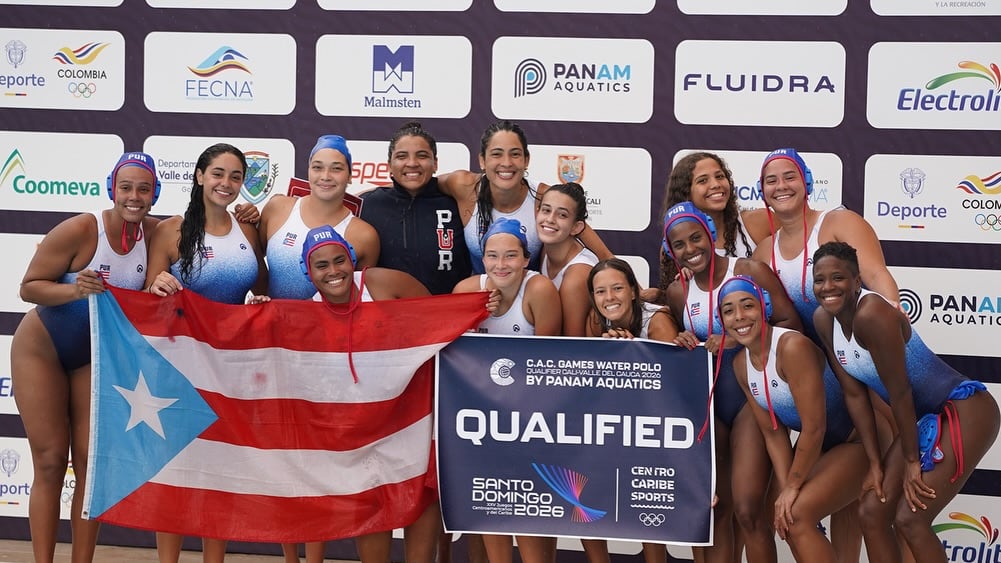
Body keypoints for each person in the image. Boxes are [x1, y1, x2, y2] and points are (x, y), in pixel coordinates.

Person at [10, 152, 161, 563]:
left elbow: (206, 234)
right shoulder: (81, 228)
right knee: (50, 460)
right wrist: (76, 289)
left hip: (93, 357)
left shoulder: (158, 234)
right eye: (125, 187)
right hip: (43, 347)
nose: (134, 196)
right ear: (111, 188)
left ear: (155, 193)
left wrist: (250, 216)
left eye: (143, 189)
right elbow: (29, 288)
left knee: (92, 470)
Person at [812, 241, 999, 563]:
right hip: (920, 419)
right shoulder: (823, 320)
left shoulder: (872, 314)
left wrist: (912, 463)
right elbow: (855, 395)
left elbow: (900, 393)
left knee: (911, 519)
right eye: (820, 279)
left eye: (838, 278)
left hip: (964, 410)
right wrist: (874, 463)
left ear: (857, 282)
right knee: (871, 512)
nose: (828, 287)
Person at [144, 143, 268, 563]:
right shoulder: (170, 231)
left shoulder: (248, 229)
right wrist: (155, 286)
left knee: (219, 470)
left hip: (231, 366)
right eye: (218, 174)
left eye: (235, 177)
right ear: (199, 176)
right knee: (176, 469)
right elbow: (146, 298)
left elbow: (263, 289)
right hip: (178, 365)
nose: (226, 184)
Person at [662, 202, 801, 563]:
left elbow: (793, 326)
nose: (690, 250)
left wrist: (739, 337)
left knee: (748, 511)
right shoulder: (679, 292)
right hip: (708, 409)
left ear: (711, 234)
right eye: (680, 245)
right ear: (670, 251)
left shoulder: (749, 270)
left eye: (697, 238)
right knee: (717, 512)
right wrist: (683, 341)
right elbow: (686, 344)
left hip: (750, 401)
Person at [718, 275, 867, 563]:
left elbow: (813, 428)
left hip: (859, 440)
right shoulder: (740, 365)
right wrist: (786, 489)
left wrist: (792, 488)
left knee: (796, 515)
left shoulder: (790, 348)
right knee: (789, 517)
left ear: (765, 308)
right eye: (728, 311)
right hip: (827, 450)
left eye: (747, 306)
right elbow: (773, 433)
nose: (739, 317)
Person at [453, 218, 561, 563]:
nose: (501, 265)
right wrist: (471, 316)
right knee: (489, 504)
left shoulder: (539, 290)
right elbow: (451, 357)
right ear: (482, 259)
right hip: (482, 419)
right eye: (493, 256)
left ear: (526, 259)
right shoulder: (466, 291)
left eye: (511, 256)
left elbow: (548, 365)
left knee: (529, 508)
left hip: (530, 416)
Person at [581, 257, 677, 563]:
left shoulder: (657, 321)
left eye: (618, 288)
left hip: (655, 429)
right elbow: (589, 384)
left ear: (634, 291)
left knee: (645, 507)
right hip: (613, 423)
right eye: (600, 292)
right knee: (583, 487)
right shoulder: (596, 321)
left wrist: (633, 351)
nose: (609, 298)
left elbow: (673, 387)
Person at [752, 148, 899, 342]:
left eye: (790, 177)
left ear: (807, 181)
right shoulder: (763, 252)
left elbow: (875, 274)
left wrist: (892, 317)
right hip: (810, 359)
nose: (781, 186)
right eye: (771, 181)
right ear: (762, 190)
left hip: (865, 346)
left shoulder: (840, 222)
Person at [439, 120, 612, 272]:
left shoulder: (545, 197)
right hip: (479, 298)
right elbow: (420, 183)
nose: (506, 163)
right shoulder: (463, 185)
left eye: (515, 154)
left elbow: (604, 254)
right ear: (482, 161)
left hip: (530, 301)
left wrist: (633, 288)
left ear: (526, 160)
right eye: (497, 154)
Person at [260, 134, 380, 299]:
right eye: (317, 167)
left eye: (336, 168)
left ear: (350, 176)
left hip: (327, 325)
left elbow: (359, 297)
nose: (325, 176)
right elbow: (253, 263)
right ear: (308, 171)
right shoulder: (278, 208)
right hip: (274, 321)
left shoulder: (364, 235)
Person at [359, 121, 472, 295]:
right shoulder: (367, 205)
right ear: (389, 165)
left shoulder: (457, 203)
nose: (412, 163)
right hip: (389, 316)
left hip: (447, 315)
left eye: (422, 155)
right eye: (402, 156)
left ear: (435, 163)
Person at [655, 151, 770, 301]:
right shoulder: (673, 247)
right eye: (703, 181)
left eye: (720, 176)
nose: (715, 184)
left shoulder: (759, 221)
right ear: (686, 193)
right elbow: (679, 306)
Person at [536, 182, 598, 337]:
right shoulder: (546, 248)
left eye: (562, 215)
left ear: (576, 227)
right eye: (546, 210)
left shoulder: (578, 274)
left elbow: (572, 342)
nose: (550, 219)